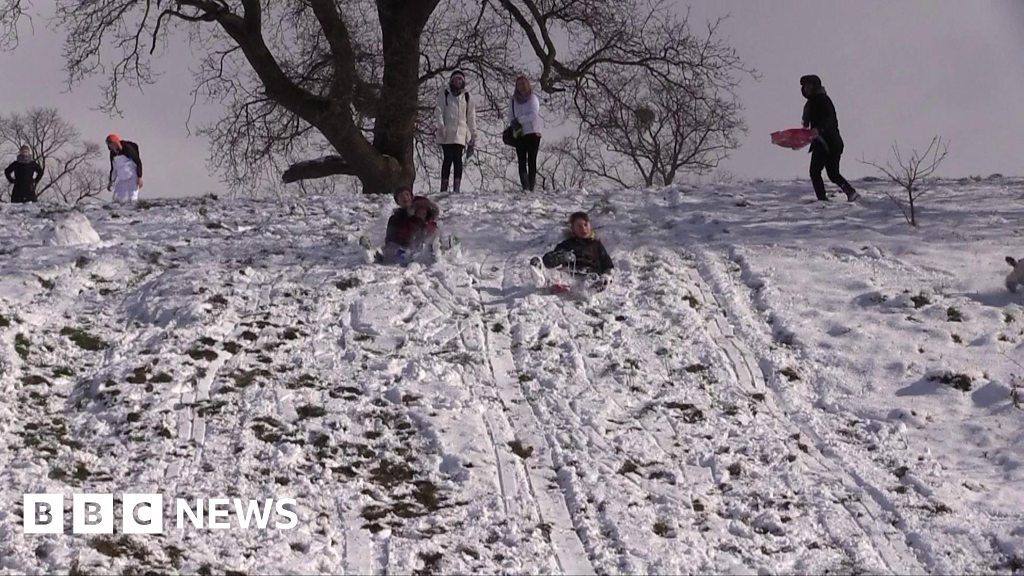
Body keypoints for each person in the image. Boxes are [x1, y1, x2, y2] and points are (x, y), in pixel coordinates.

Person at [800, 74, 858, 202]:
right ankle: (851, 192)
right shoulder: (811, 104)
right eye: (804, 86)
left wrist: (819, 129)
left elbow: (829, 119)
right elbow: (807, 129)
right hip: (830, 143)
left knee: (815, 172)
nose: (806, 89)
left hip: (826, 143)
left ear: (815, 86)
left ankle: (822, 199)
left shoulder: (822, 100)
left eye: (809, 86)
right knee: (832, 174)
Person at [435, 70, 476, 194]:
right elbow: (439, 110)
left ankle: (456, 187)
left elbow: (471, 116)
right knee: (447, 158)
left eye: (460, 80)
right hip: (447, 132)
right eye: (455, 79)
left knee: (458, 159)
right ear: (451, 81)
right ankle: (444, 186)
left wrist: (473, 133)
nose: (457, 82)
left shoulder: (467, 97)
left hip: (460, 133)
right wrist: (441, 125)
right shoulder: (445, 93)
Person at [540, 211, 614, 276]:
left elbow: (608, 266)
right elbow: (548, 260)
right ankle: (543, 279)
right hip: (571, 276)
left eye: (585, 225)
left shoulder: (596, 245)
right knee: (558, 275)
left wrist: (607, 276)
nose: (583, 229)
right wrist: (562, 257)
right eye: (579, 226)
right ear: (573, 229)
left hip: (591, 276)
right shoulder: (567, 244)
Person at [381, 186, 439, 264]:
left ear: (411, 197)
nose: (405, 197)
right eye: (401, 196)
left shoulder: (421, 208)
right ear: (397, 201)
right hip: (403, 248)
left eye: (407, 194)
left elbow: (430, 225)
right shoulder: (396, 218)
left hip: (422, 244)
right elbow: (390, 238)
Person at [507, 75, 543, 192]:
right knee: (521, 160)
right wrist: (514, 123)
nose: (521, 86)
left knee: (532, 160)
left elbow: (533, 114)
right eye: (519, 84)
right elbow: (510, 115)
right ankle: (525, 186)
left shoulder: (533, 98)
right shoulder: (513, 100)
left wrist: (519, 120)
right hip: (520, 133)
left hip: (533, 132)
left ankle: (531, 186)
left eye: (523, 84)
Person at [105, 133, 143, 203]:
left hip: (132, 177)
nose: (110, 145)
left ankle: (133, 213)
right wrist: (111, 181)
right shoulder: (112, 154)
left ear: (115, 142)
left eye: (111, 143)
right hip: (121, 179)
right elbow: (114, 169)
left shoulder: (127, 148)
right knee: (118, 199)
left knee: (132, 198)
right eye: (108, 144)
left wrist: (139, 177)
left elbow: (138, 162)